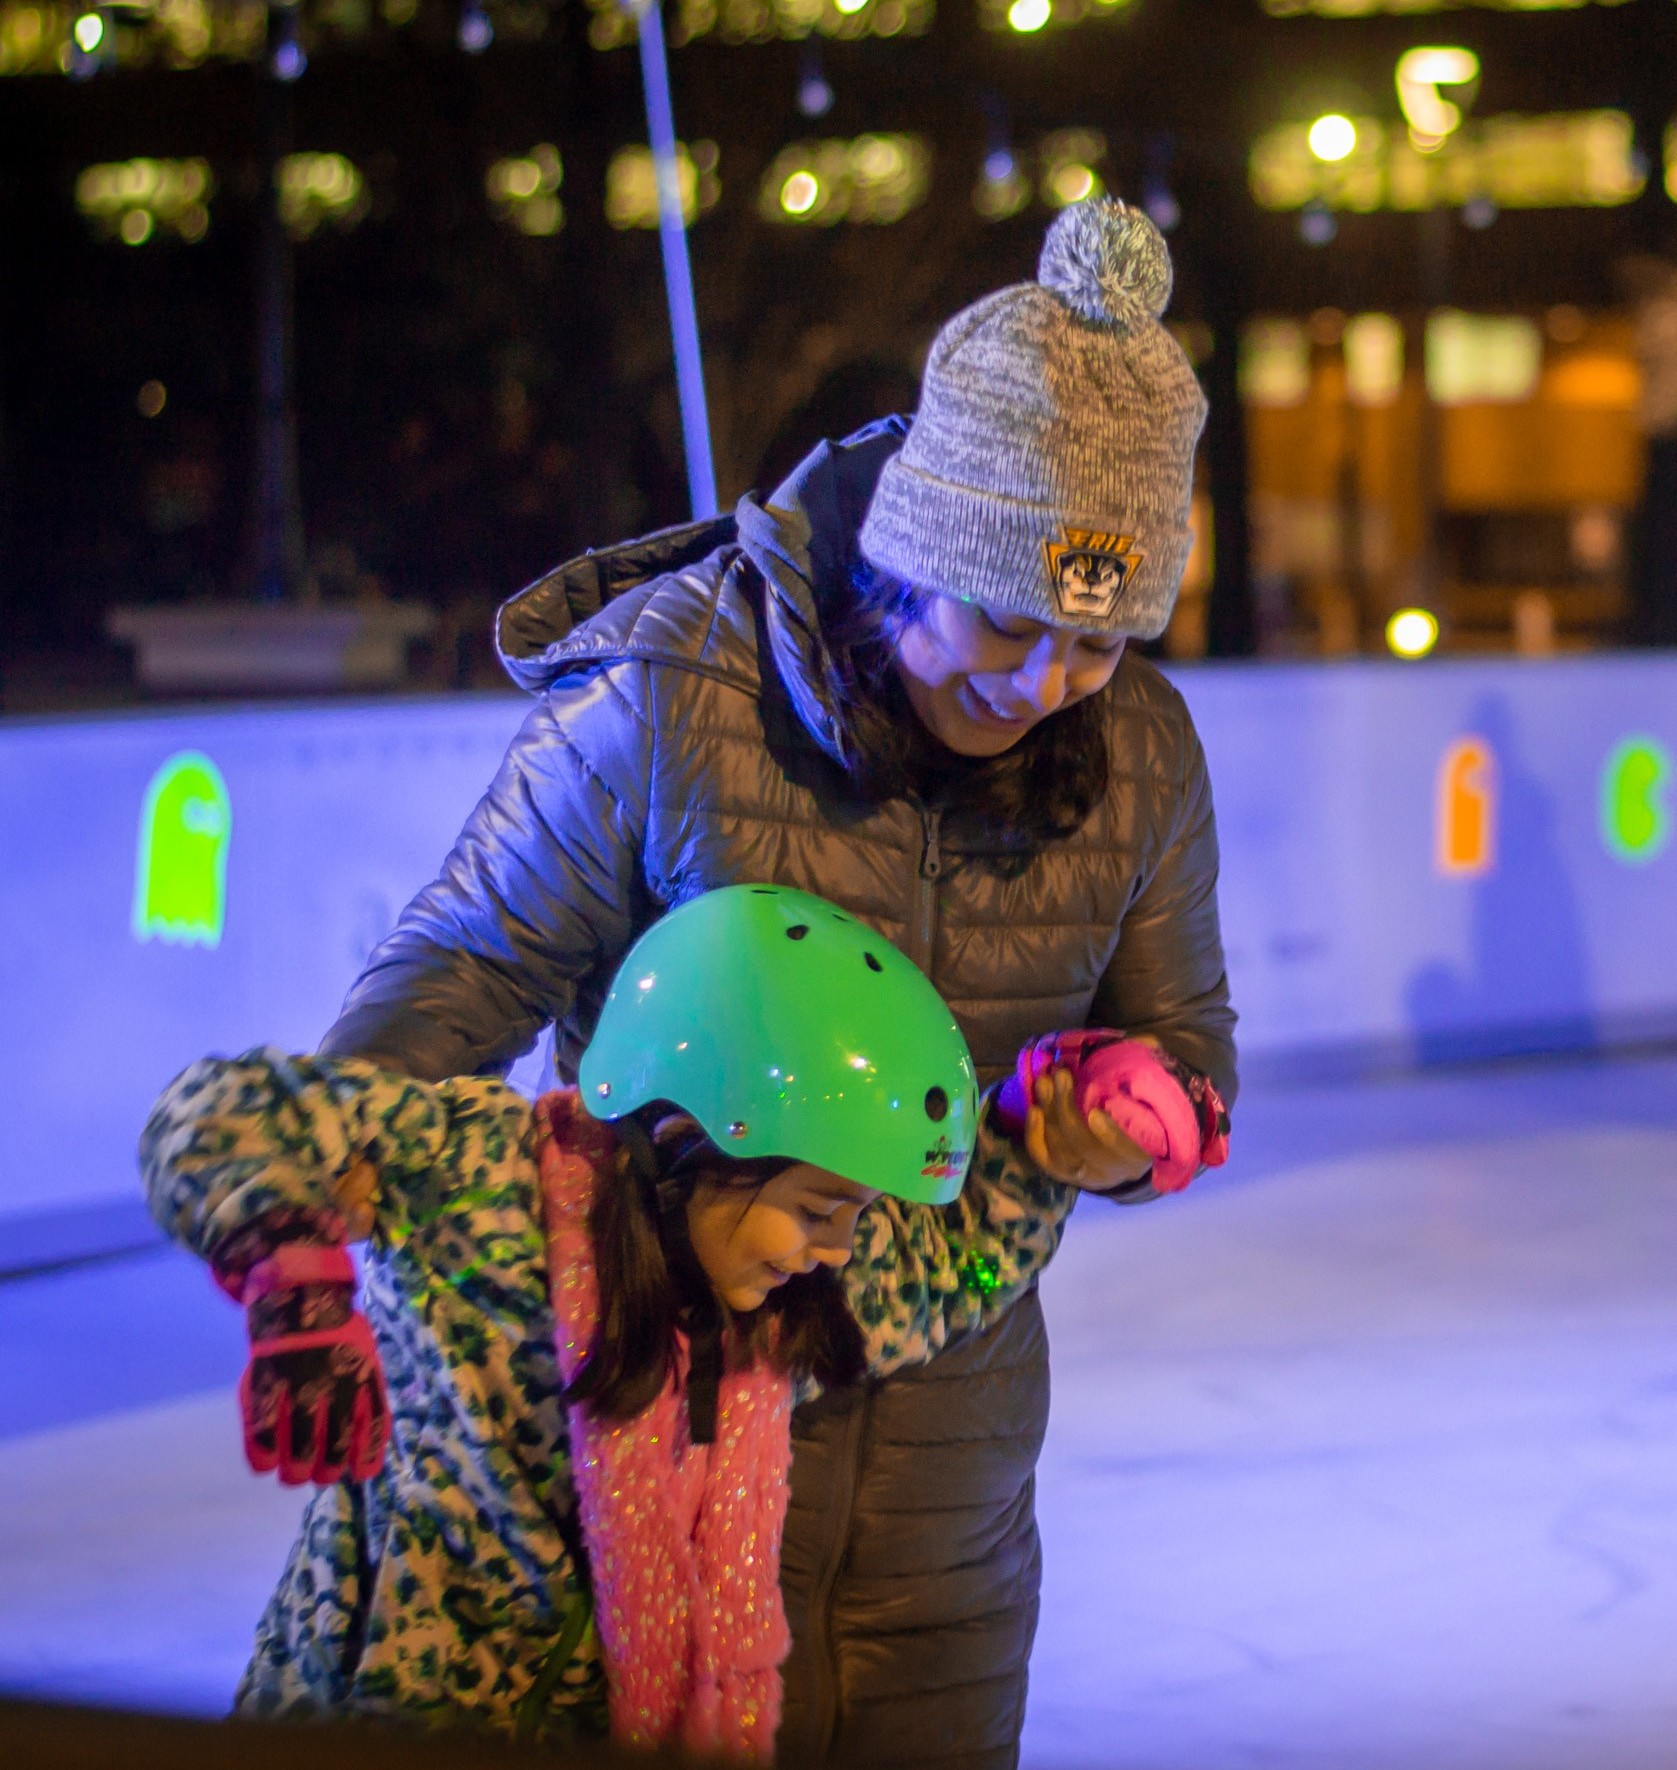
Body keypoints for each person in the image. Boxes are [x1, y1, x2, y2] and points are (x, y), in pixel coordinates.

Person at [316, 196, 1237, 1768]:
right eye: (1005, 622)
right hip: (655, 1446)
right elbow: (457, 969)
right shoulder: (681, 690)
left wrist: (1139, 1120)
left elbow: (1189, 1049)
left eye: (1093, 645)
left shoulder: (1137, 750)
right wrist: (322, 1228)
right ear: (911, 557)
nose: (1040, 688)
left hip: (951, 1492)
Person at [140, 885, 1077, 1759]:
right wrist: (296, 1288)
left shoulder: (777, 1307)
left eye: (859, 1216)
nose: (837, 1248)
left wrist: (1042, 1140)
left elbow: (954, 1267)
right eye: (821, 1205)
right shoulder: (490, 1184)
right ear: (688, 1137)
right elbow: (221, 1114)